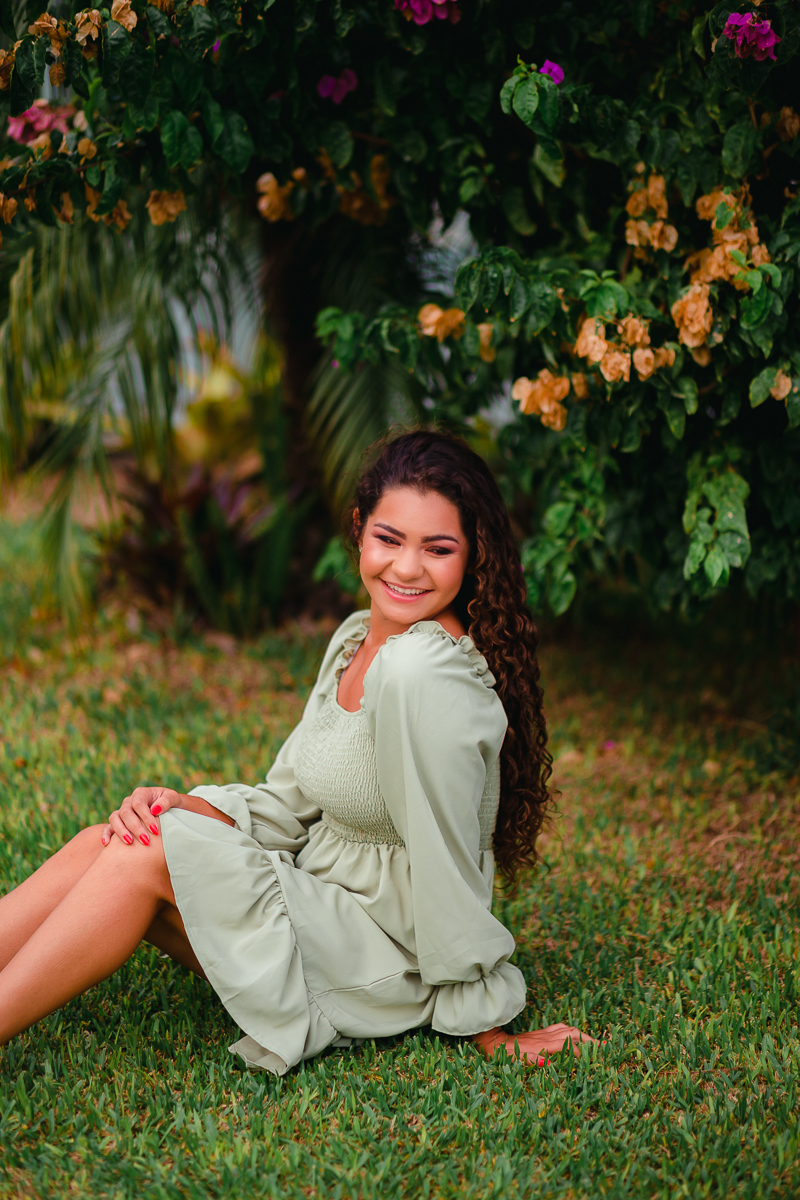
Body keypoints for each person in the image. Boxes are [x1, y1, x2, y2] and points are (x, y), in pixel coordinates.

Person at [0, 430, 594, 1070]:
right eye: (389, 539)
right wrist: (181, 807)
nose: (406, 567)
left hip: (388, 959)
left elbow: (445, 854)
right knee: (116, 839)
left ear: (473, 555)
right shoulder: (357, 639)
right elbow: (287, 806)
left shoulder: (423, 673)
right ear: (360, 531)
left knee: (143, 855)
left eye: (438, 548)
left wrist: (485, 1021)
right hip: (319, 911)